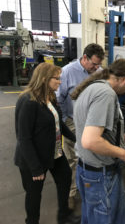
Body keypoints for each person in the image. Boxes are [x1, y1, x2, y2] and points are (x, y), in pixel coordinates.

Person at [71, 58, 125, 224]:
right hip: (100, 175)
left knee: (91, 217)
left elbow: (90, 127)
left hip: (87, 170)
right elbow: (90, 141)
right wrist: (123, 153)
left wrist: (117, 136)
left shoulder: (92, 88)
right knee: (106, 219)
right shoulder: (106, 94)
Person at [14, 63, 80, 224]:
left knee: (65, 178)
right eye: (56, 79)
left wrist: (77, 139)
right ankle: (32, 221)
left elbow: (59, 124)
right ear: (44, 79)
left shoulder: (50, 96)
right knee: (34, 194)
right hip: (33, 158)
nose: (60, 82)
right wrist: (36, 168)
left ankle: (63, 216)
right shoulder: (29, 101)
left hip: (53, 152)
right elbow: (24, 138)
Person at [56, 43, 105, 208]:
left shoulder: (98, 73)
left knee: (91, 155)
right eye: (94, 64)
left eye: (99, 65)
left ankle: (88, 188)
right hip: (72, 121)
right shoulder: (68, 71)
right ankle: (70, 192)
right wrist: (64, 124)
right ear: (85, 58)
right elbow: (59, 99)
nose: (96, 68)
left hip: (92, 121)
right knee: (72, 159)